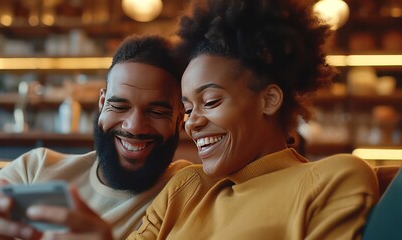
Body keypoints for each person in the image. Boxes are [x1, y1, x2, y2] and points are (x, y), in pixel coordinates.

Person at [25, 0, 379, 239]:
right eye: (188, 108)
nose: (192, 123)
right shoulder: (185, 188)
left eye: (210, 101)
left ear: (269, 99)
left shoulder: (334, 179)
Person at [0, 34, 191, 239]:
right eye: (119, 106)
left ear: (180, 118)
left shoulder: (189, 190)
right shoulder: (37, 167)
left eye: (157, 111)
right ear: (101, 103)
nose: (134, 126)